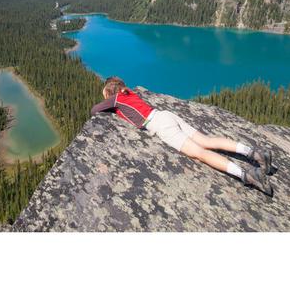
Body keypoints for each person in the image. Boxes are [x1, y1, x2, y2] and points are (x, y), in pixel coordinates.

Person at [91, 76, 274, 196]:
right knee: (207, 141)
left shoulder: (115, 99)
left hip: (159, 125)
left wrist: (110, 102)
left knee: (200, 153)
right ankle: (254, 153)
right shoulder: (129, 92)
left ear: (109, 93)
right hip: (166, 114)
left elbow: (95, 110)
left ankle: (248, 176)